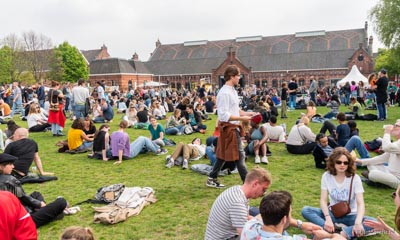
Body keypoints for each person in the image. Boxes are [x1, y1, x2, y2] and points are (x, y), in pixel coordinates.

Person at [302, 147, 375, 239]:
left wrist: (357, 223)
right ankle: (333, 228)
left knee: (374, 223)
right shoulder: (327, 176)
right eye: (339, 162)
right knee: (306, 210)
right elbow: (323, 200)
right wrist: (327, 218)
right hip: (332, 213)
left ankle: (339, 233)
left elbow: (360, 203)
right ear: (333, 162)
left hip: (351, 215)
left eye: (345, 163)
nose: (342, 165)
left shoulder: (354, 178)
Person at [206, 65, 256, 188]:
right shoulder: (224, 93)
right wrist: (241, 118)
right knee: (240, 156)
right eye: (238, 75)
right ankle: (247, 183)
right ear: (231, 76)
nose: (240, 78)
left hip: (233, 127)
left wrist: (247, 113)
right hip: (229, 128)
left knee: (222, 155)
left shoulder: (232, 90)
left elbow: (234, 109)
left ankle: (212, 178)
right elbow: (223, 115)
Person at [241, 191, 344, 240]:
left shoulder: (249, 226)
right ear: (284, 219)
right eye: (290, 213)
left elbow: (262, 214)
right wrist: (328, 235)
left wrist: (301, 225)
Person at [0, 153, 67, 228]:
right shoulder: (9, 179)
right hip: (22, 220)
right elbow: (23, 197)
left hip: (10, 215)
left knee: (36, 194)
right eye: (10, 164)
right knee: (61, 202)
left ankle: (44, 211)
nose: (13, 166)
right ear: (1, 167)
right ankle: (48, 213)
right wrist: (39, 204)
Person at [205, 168, 272, 239]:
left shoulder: (238, 190)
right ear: (255, 184)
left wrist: (257, 220)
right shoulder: (237, 203)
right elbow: (245, 237)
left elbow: (245, 217)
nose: (263, 194)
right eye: (264, 189)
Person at [356, 120, 400, 189]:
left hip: (397, 179)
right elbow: (383, 158)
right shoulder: (397, 142)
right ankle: (378, 181)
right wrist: (361, 162)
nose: (393, 127)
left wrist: (387, 132)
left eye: (396, 125)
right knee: (370, 163)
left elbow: (386, 147)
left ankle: (374, 179)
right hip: (388, 171)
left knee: (373, 174)